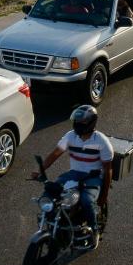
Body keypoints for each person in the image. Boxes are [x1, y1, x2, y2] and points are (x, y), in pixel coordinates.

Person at [33, 105, 114, 246]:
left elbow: (108, 170)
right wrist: (40, 170)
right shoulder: (70, 136)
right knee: (51, 191)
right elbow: (55, 154)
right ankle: (52, 222)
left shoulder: (102, 142)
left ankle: (94, 231)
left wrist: (104, 195)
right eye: (76, 121)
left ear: (91, 123)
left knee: (86, 201)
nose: (77, 124)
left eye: (81, 122)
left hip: (93, 176)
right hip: (73, 174)